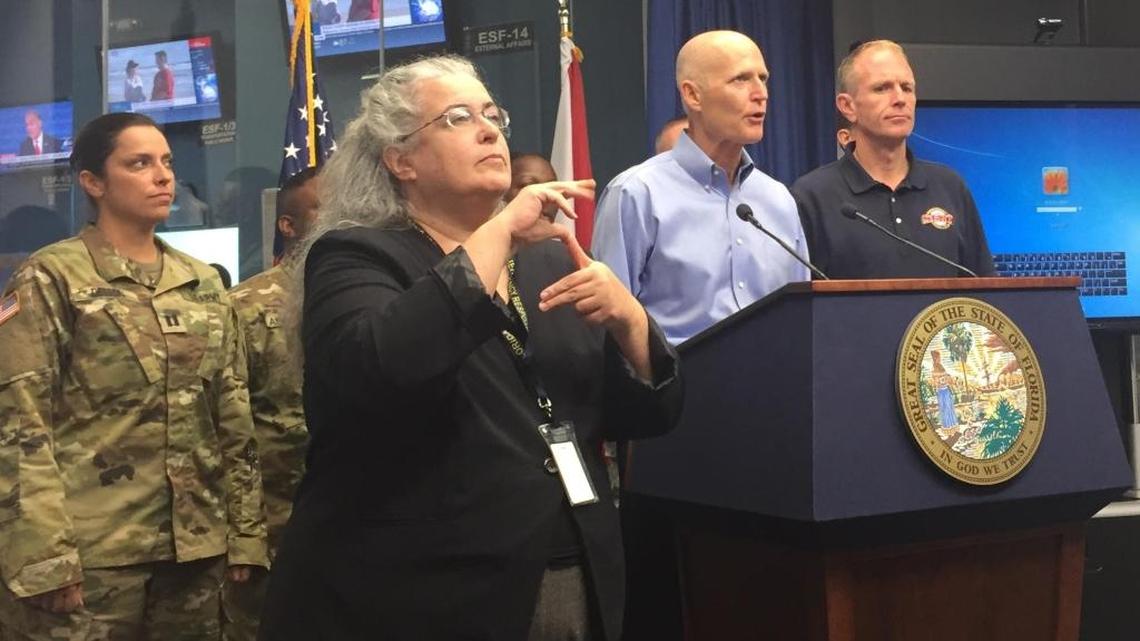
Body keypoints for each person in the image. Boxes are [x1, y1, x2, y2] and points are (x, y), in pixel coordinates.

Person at [258, 55, 683, 641]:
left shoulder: (548, 260)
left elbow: (642, 413)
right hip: (421, 594)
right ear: (400, 159)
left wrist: (631, 323)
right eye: (458, 118)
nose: (490, 130)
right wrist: (500, 231)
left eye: (493, 115)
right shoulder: (356, 256)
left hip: (569, 570)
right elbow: (381, 368)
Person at [0, 113, 268, 639]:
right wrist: (44, 556)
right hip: (92, 552)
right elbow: (18, 424)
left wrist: (246, 533)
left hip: (194, 549)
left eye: (167, 162)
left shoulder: (203, 282)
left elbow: (233, 417)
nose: (163, 176)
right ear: (94, 183)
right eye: (139, 163)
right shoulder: (52, 276)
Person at [592, 30, 810, 345]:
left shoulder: (778, 199)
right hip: (678, 386)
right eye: (740, 80)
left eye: (763, 79)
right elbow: (610, 325)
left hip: (773, 385)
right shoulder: (637, 193)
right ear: (693, 96)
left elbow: (799, 318)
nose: (760, 93)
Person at [791, 40, 995, 279]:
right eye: (882, 88)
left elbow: (985, 289)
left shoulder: (950, 187)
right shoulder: (811, 196)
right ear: (848, 106)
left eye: (907, 88)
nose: (900, 99)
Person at [222, 168, 318, 641]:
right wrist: (244, 534)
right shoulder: (244, 307)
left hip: (360, 521)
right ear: (288, 225)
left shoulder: (379, 296)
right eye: (326, 208)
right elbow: (226, 426)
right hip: (274, 526)